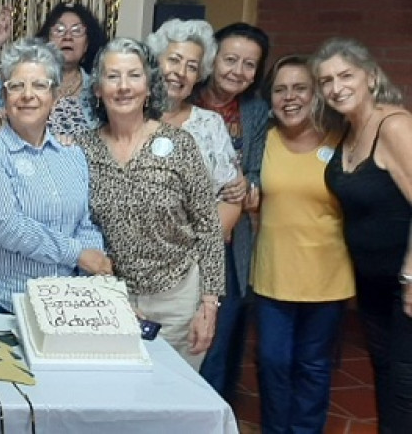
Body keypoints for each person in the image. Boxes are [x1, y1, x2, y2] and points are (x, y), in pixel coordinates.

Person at [79, 37, 224, 369]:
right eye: (112, 76)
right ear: (98, 89)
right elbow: (75, 223)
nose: (123, 86)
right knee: (117, 391)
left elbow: (208, 226)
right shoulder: (82, 149)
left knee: (175, 391)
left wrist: (209, 305)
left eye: (134, 75)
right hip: (112, 297)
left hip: (178, 298)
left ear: (148, 87)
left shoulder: (179, 144)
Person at [250, 54, 354, 433]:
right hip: (273, 274)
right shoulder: (263, 141)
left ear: (316, 95)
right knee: (272, 362)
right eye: (280, 90)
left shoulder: (342, 141)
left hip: (328, 278)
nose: (289, 97)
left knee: (314, 365)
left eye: (300, 88)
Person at [0, 38, 110, 314]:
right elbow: (8, 226)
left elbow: (86, 222)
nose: (27, 95)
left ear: (54, 97)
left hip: (67, 304)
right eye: (16, 86)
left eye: (39, 85)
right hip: (5, 301)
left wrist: (95, 268)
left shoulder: (72, 155)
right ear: (4, 97)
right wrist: (78, 254)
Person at [316, 37, 412, 433]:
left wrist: (410, 278)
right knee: (385, 373)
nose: (336, 87)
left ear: (370, 77)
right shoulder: (347, 131)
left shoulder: (394, 126)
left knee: (405, 386)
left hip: (404, 281)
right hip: (372, 280)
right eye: (326, 81)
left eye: (345, 76)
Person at [195, 22, 271, 400]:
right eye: (230, 59)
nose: (237, 71)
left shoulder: (256, 111)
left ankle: (213, 413)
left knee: (218, 337)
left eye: (249, 64)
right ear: (212, 58)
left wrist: (248, 186)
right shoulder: (185, 95)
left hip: (228, 238)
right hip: (174, 236)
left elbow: (256, 169)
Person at [145, 18, 241, 241]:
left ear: (198, 77)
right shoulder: (128, 117)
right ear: (155, 62)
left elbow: (231, 198)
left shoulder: (211, 124)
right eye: (174, 60)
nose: (180, 72)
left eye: (192, 67)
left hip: (197, 251)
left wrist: (199, 248)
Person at [0, 3, 107, 137]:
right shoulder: (14, 79)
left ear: (87, 44)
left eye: (76, 30)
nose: (67, 36)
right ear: (47, 38)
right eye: (59, 29)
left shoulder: (97, 88)